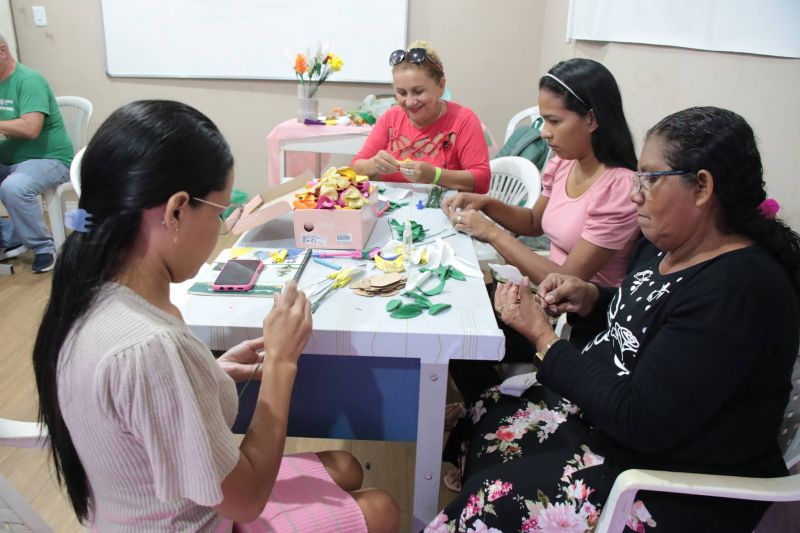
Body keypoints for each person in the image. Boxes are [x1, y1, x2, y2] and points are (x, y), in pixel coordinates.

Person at [427, 107, 800, 533]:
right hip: (612, 427)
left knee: (488, 502)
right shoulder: (672, 242)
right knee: (490, 409)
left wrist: (544, 338)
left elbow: (639, 419)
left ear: (701, 187)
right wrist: (592, 298)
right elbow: (654, 316)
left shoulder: (738, 291)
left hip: (668, 482)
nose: (635, 193)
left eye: (649, 178)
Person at [32, 101, 399, 532]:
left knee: (345, 465)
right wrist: (281, 363)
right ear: (176, 211)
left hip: (134, 505)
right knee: (381, 508)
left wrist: (209, 371)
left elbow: (140, 410)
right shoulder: (149, 346)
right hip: (196, 518)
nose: (221, 227)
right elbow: (245, 501)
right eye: (219, 212)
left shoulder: (86, 294)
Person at [443, 58, 639, 288]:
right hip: (543, 291)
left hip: (575, 312)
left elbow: (566, 282)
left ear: (592, 119)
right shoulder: (565, 163)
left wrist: (492, 233)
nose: (545, 133)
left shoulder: (619, 188)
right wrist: (486, 203)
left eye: (554, 121)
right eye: (544, 120)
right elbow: (534, 222)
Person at [351, 40, 490, 193]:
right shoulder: (391, 118)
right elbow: (354, 169)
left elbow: (482, 180)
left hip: (446, 211)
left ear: (441, 86)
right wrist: (374, 164)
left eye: (418, 91)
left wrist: (435, 175)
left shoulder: (463, 120)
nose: (410, 102)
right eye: (402, 93)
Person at [0, 32, 73, 273]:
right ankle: (10, 236)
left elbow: (31, 128)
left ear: (2, 51)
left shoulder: (29, 80)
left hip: (49, 158)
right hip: (11, 157)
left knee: (13, 187)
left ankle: (43, 248)